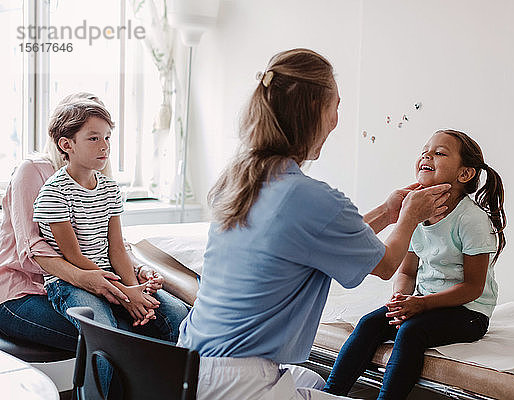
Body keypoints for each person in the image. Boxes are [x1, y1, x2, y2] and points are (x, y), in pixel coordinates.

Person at [177, 48, 451, 400]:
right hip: (238, 382)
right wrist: (410, 216)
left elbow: (315, 240)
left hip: (191, 364)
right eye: (335, 106)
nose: (337, 120)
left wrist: (388, 211)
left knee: (315, 382)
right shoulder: (309, 198)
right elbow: (385, 265)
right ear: (313, 112)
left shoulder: (243, 179)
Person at [323, 129, 507, 399]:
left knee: (411, 331)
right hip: (425, 304)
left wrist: (420, 304)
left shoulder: (472, 220)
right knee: (370, 323)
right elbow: (407, 270)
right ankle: (330, 394)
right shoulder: (416, 212)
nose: (426, 155)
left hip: (468, 312)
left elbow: (473, 288)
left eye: (439, 152)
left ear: (465, 174)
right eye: (424, 150)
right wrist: (401, 297)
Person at [0, 93, 186, 354]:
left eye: (106, 136)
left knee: (173, 318)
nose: (103, 145)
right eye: (93, 136)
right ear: (67, 141)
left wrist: (137, 274)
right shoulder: (34, 171)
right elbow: (34, 248)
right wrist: (111, 286)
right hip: (25, 292)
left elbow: (113, 244)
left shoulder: (100, 179)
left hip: (98, 281)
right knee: (118, 335)